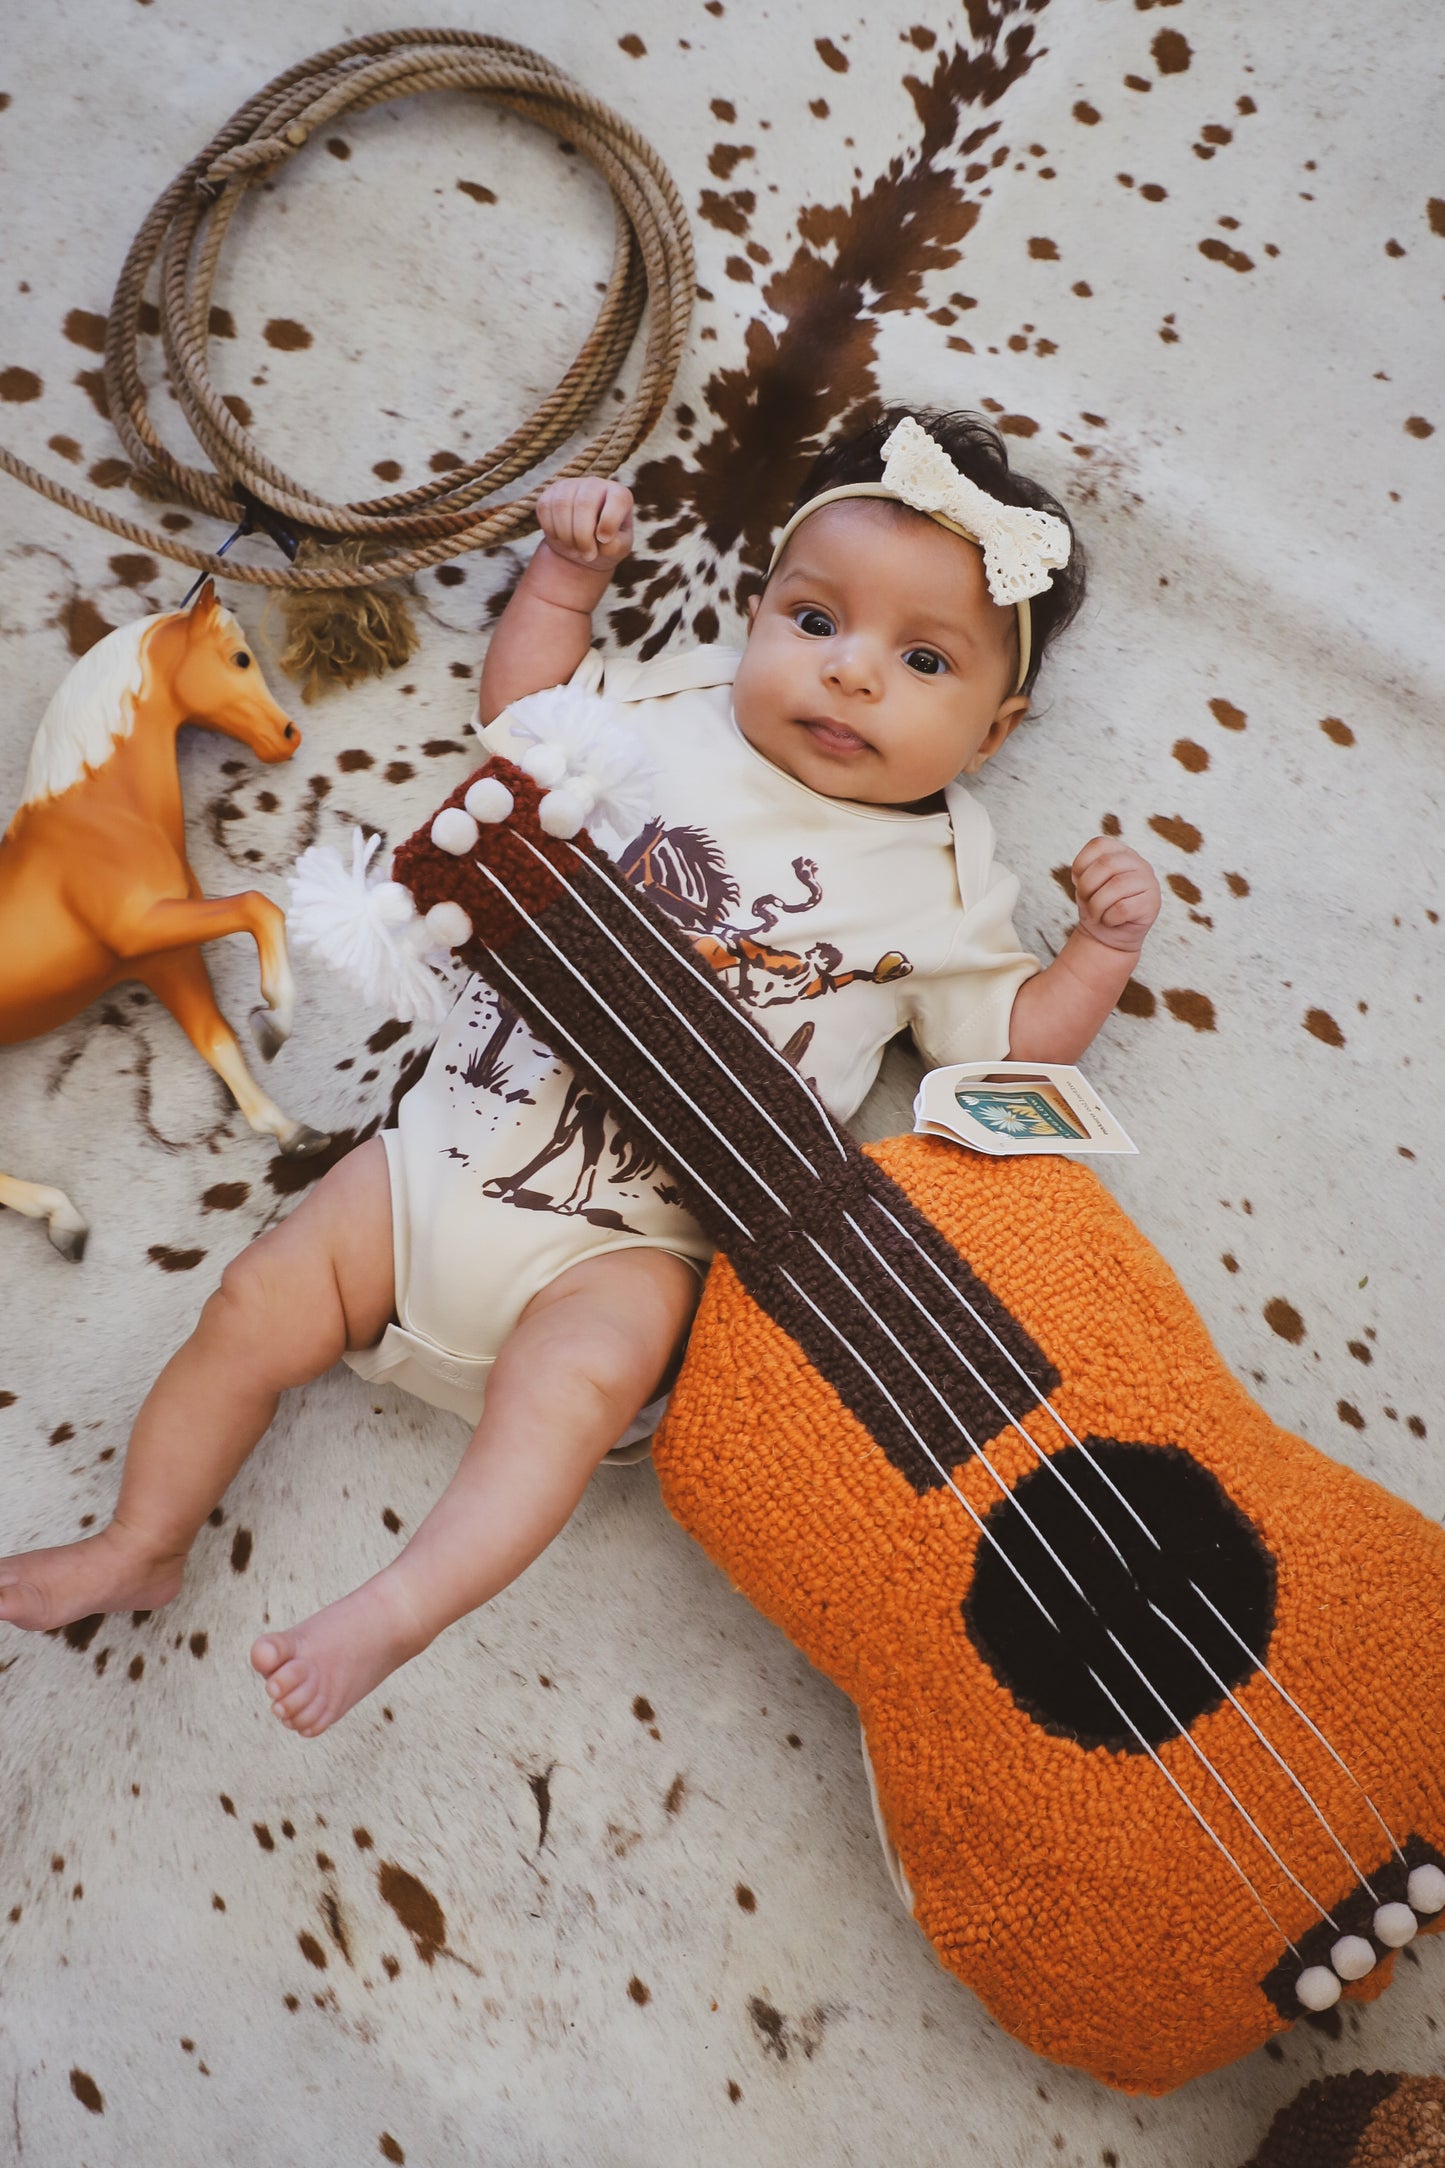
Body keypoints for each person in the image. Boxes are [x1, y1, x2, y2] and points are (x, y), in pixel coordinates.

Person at [0, 409, 1160, 1735]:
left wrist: (1099, 952)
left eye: (922, 659)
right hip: (443, 1155)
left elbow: (1003, 1045)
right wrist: (565, 579)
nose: (850, 674)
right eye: (815, 621)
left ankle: (398, 1610)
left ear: (994, 732)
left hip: (638, 1241)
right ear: (758, 612)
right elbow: (521, 712)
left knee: (573, 1390)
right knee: (255, 1300)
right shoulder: (667, 718)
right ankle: (142, 1538)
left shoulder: (944, 877)